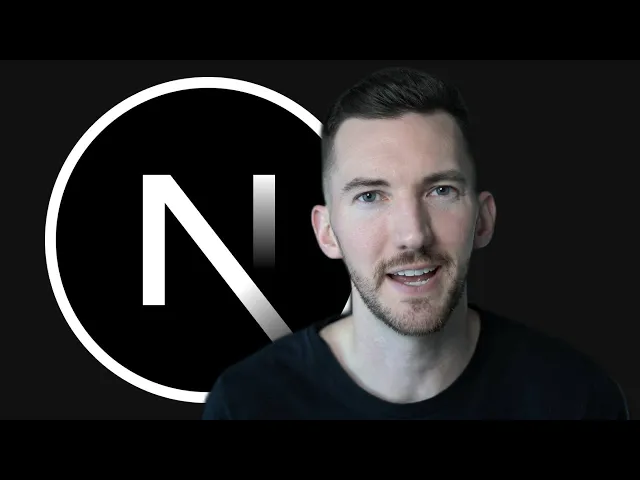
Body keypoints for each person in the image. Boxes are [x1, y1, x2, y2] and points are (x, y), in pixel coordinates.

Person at [202, 66, 629, 420]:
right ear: (327, 232)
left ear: (483, 220)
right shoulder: (247, 404)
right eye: (370, 196)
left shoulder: (577, 399)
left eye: (441, 191)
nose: (413, 234)